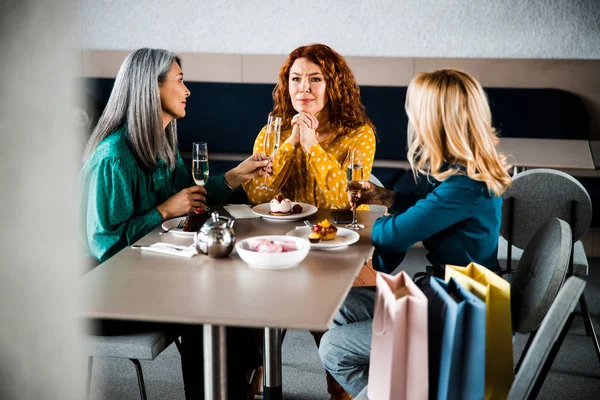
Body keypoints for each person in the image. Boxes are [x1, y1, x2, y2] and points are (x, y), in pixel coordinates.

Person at [79, 48, 265, 399]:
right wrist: (163, 211)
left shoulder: (160, 145)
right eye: (180, 81)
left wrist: (236, 176)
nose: (188, 90)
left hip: (139, 280)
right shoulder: (113, 158)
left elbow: (188, 195)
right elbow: (107, 249)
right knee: (201, 305)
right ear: (153, 89)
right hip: (97, 298)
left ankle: (234, 385)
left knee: (220, 291)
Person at [318, 69, 512, 396]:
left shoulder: (465, 185)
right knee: (342, 304)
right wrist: (386, 197)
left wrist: (337, 228)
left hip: (456, 313)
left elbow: (395, 235)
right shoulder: (463, 170)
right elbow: (427, 206)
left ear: (436, 119)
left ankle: (398, 388)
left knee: (334, 347)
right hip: (442, 291)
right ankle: (400, 384)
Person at [242, 43, 376, 210]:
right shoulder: (271, 134)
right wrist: (290, 144)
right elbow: (256, 196)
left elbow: (347, 201)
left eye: (316, 79)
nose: (304, 88)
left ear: (334, 86)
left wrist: (312, 146)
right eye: (296, 79)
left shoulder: (359, 134)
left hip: (345, 232)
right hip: (291, 233)